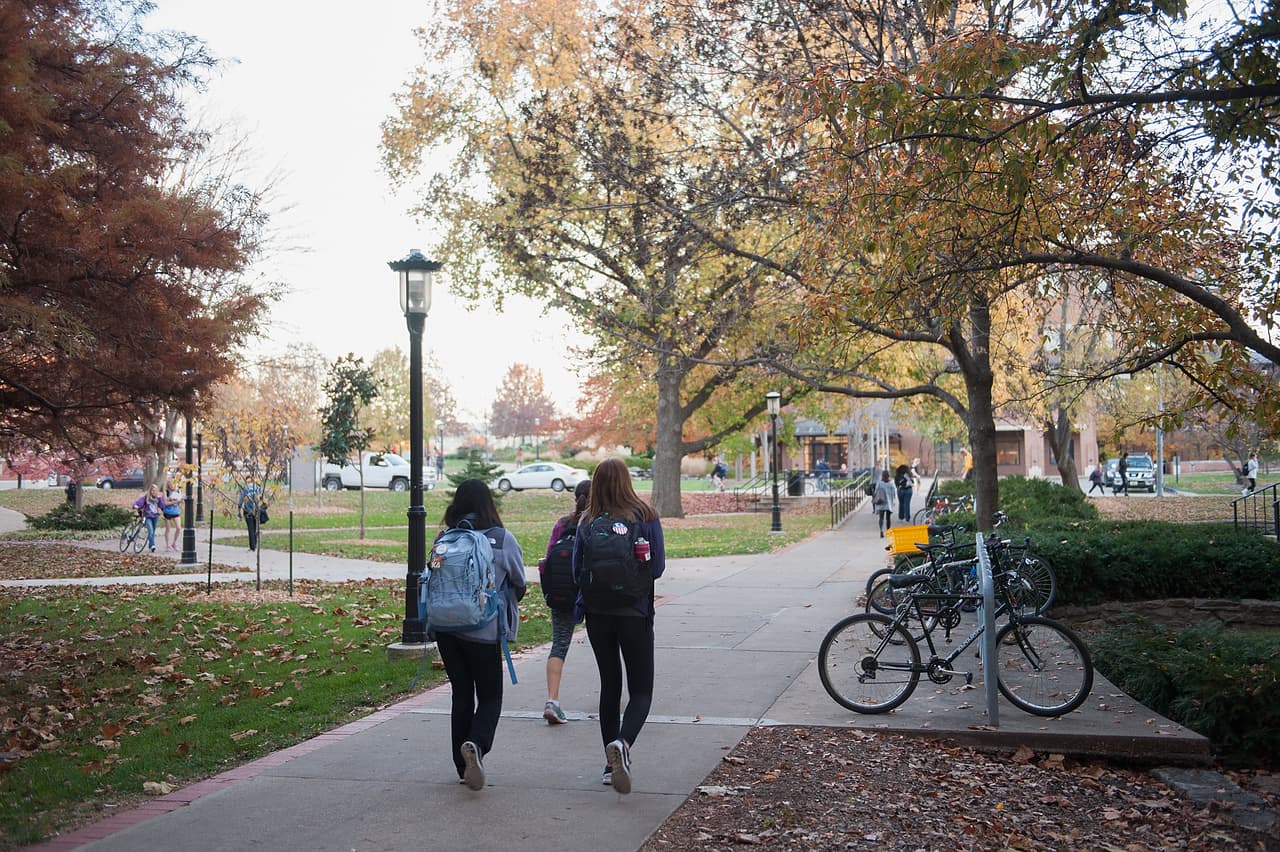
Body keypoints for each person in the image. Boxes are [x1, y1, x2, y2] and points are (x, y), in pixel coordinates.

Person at [573, 457, 665, 794]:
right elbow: (657, 567)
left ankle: (610, 766)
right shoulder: (646, 516)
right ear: (627, 481)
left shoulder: (588, 520)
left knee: (609, 687)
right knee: (641, 690)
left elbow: (575, 571)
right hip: (635, 612)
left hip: (598, 615)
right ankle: (624, 745)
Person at [432, 479, 526, 791]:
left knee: (461, 693)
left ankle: (462, 767)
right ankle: (476, 745)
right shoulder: (502, 539)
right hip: (483, 631)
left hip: (446, 628)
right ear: (489, 504)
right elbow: (520, 583)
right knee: (490, 697)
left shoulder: (445, 538)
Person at [539, 480, 590, 725]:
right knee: (609, 646)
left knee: (559, 644)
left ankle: (553, 700)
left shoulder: (562, 524)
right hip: (593, 593)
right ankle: (613, 697)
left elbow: (548, 559)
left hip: (562, 593)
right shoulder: (598, 524)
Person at [132, 484, 164, 553]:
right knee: (151, 531)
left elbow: (162, 506)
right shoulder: (146, 498)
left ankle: (150, 546)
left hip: (155, 516)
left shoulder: (158, 499)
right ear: (150, 491)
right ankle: (152, 545)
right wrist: (135, 506)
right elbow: (138, 503)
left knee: (152, 532)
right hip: (147, 516)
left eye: (155, 490)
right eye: (153, 490)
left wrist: (165, 513)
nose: (154, 492)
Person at [237, 482, 265, 551]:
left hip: (247, 510)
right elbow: (262, 499)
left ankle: (252, 547)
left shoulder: (245, 488)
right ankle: (255, 544)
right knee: (255, 527)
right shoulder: (258, 488)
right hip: (257, 510)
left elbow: (240, 499)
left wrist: (239, 509)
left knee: (251, 528)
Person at [872, 469, 896, 537]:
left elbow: (876, 491)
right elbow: (894, 492)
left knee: (881, 517)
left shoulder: (879, 482)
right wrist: (894, 501)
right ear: (889, 475)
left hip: (881, 501)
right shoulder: (891, 482)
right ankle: (888, 532)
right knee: (888, 518)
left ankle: (881, 530)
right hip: (889, 502)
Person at [161, 478, 183, 551]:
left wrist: (179, 501)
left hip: (175, 511)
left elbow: (179, 501)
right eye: (170, 484)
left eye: (173, 484)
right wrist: (175, 501)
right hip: (167, 512)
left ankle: (174, 543)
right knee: (168, 529)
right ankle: (167, 545)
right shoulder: (166, 492)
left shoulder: (178, 491)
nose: (172, 485)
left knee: (179, 528)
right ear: (168, 485)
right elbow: (166, 503)